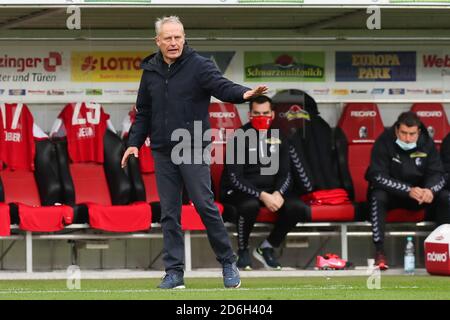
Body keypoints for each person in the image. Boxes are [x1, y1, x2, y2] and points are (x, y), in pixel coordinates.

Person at [121, 16, 267, 289]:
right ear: (158, 41)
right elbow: (144, 111)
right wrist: (134, 142)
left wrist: (245, 94)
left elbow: (222, 87)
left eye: (178, 37)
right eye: (168, 38)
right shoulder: (150, 70)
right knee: (169, 213)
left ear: (184, 38)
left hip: (191, 145)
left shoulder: (199, 65)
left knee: (203, 205)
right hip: (163, 149)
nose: (174, 42)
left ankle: (227, 263)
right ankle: (174, 273)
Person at [221, 95, 309, 270]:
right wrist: (262, 196)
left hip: (271, 191)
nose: (261, 117)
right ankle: (243, 250)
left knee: (298, 207)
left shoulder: (280, 137)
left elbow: (286, 173)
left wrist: (278, 193)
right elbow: (235, 178)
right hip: (241, 192)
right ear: (250, 114)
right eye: (257, 113)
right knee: (250, 205)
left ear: (273, 114)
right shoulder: (239, 137)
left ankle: (267, 247)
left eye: (265, 113)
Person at [365, 111, 450, 270]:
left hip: (421, 198)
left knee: (445, 197)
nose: (407, 138)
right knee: (377, 195)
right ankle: (379, 251)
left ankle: (445, 249)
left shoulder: (426, 143)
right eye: (404, 133)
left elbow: (438, 174)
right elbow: (376, 176)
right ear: (397, 130)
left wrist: (430, 190)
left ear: (418, 132)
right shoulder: (384, 142)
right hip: (393, 196)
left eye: (412, 134)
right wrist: (407, 190)